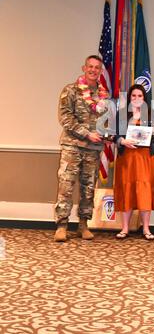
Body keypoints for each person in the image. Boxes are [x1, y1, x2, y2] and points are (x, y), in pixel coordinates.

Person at [54, 55, 109, 242]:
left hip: (93, 149)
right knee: (66, 186)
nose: (93, 70)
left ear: (100, 71)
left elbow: (105, 122)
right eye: (90, 66)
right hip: (72, 147)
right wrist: (86, 134)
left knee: (88, 188)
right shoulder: (70, 90)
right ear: (84, 68)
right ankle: (62, 225)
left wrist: (109, 134)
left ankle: (83, 224)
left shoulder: (104, 96)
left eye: (97, 68)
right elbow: (65, 118)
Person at [113, 84, 154, 240]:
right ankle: (125, 228)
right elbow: (114, 136)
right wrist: (122, 140)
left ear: (144, 98)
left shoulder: (151, 114)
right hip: (127, 159)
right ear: (129, 98)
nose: (136, 98)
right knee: (127, 191)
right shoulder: (121, 115)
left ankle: (146, 229)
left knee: (144, 191)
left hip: (146, 158)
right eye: (133, 96)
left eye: (140, 96)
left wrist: (147, 135)